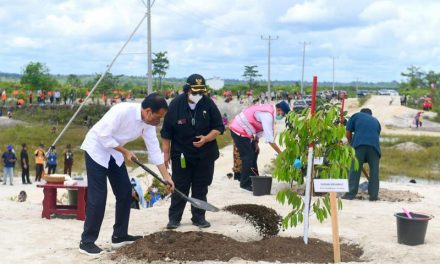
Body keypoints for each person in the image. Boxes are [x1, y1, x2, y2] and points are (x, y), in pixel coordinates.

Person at [78, 93, 174, 256]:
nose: (159, 122)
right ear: (148, 111)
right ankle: (87, 242)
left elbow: (154, 150)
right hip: (96, 150)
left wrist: (167, 177)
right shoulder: (122, 110)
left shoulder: (148, 124)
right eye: (158, 117)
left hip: (114, 154)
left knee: (125, 192)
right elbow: (103, 135)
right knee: (98, 197)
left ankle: (119, 236)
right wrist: (125, 151)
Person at [161, 73, 225, 230]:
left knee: (200, 187)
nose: (198, 95)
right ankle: (174, 219)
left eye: (201, 92)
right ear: (187, 90)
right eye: (195, 92)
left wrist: (206, 138)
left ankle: (199, 218)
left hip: (205, 154)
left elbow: (219, 127)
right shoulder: (175, 105)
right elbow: (166, 132)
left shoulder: (208, 104)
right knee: (180, 186)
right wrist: (166, 154)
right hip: (181, 154)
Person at [229, 101, 290, 191]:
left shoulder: (270, 112)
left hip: (246, 131)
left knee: (254, 151)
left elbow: (260, 129)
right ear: (279, 110)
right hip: (238, 129)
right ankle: (245, 183)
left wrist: (256, 142)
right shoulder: (268, 115)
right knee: (248, 156)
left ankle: (254, 177)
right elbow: (270, 139)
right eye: (283, 114)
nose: (282, 116)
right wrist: (281, 154)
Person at [342, 108, 381, 201]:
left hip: (359, 145)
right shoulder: (376, 121)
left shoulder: (356, 116)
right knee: (374, 171)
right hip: (375, 148)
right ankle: (373, 196)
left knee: (355, 169)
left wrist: (351, 143)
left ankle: (350, 194)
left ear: (361, 112)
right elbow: (376, 134)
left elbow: (348, 132)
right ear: (370, 114)